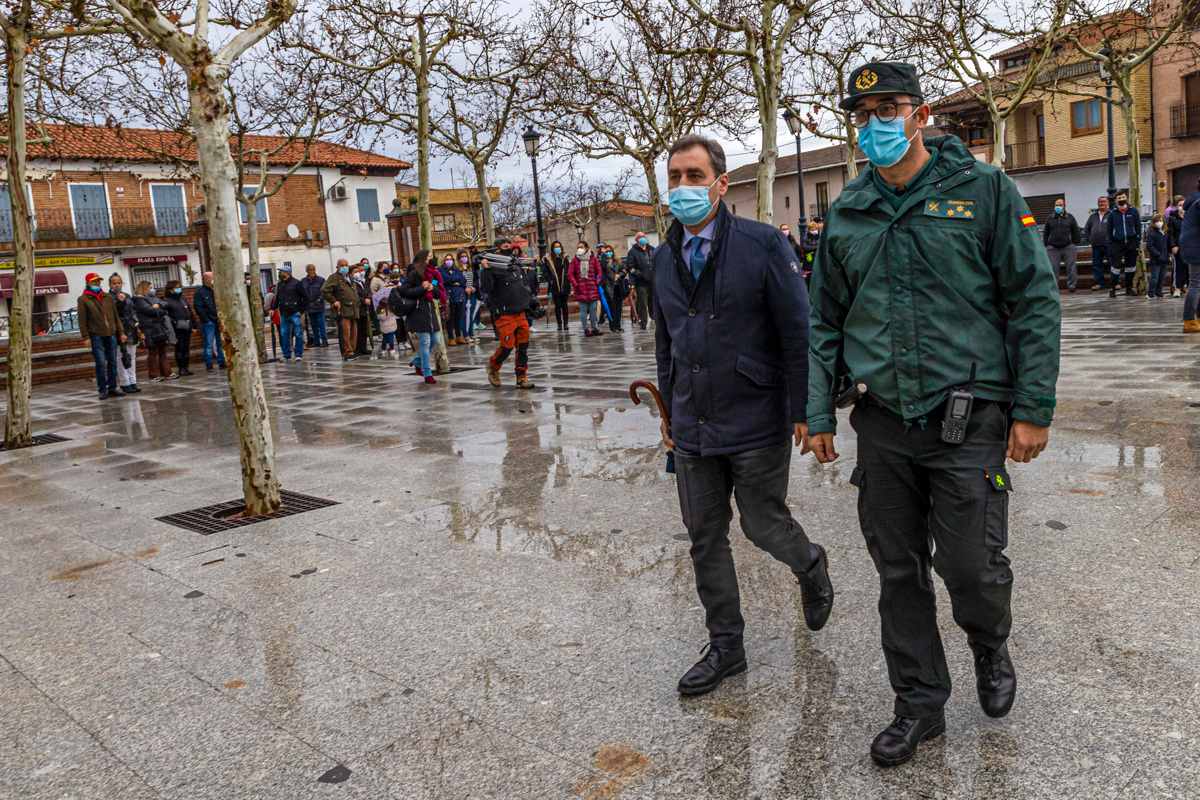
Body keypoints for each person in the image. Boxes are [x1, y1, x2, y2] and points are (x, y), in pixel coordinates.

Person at [807, 62, 1061, 767]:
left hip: (968, 418)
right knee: (898, 571)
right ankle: (919, 704)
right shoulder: (850, 211)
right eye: (864, 113)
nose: (876, 122)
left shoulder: (982, 190)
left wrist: (1032, 406)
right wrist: (817, 413)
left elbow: (1033, 299)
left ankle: (989, 642)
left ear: (920, 114)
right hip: (885, 422)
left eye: (890, 107)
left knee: (972, 569)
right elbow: (823, 320)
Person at [655, 133, 834, 699]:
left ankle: (808, 563)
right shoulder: (662, 256)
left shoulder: (761, 245)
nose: (683, 187)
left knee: (761, 523)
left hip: (755, 415)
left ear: (720, 183)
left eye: (693, 175)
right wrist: (667, 408)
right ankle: (726, 646)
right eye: (675, 177)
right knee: (704, 535)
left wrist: (809, 407)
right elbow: (666, 339)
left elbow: (797, 330)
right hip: (691, 423)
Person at [482, 243, 542, 389]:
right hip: (504, 313)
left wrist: (532, 302)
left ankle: (521, 377)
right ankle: (493, 366)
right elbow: (486, 288)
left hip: (520, 311)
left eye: (509, 244)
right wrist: (486, 270)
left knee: (523, 346)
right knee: (507, 345)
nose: (508, 247)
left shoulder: (516, 264)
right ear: (497, 249)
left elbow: (524, 285)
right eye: (504, 245)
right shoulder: (492, 266)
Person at [78, 272, 126, 400]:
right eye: (94, 281)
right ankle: (102, 389)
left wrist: (121, 332)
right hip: (96, 335)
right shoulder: (83, 299)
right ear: (88, 283)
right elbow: (82, 320)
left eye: (98, 281)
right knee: (100, 363)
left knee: (112, 361)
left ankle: (113, 387)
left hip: (111, 334)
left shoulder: (108, 297)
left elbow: (116, 316)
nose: (97, 283)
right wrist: (85, 337)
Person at [400, 249, 441, 384]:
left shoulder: (433, 273)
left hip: (430, 310)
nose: (430, 259)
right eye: (428, 257)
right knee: (425, 342)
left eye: (431, 256)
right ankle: (427, 373)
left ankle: (417, 361)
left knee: (435, 340)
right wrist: (421, 288)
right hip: (418, 311)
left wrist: (431, 288)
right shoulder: (413, 273)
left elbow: (438, 292)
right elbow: (405, 291)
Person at [132, 282, 172, 381]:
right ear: (144, 288)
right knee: (153, 352)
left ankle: (167, 372)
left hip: (158, 328)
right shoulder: (139, 300)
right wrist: (158, 309)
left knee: (162, 351)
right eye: (150, 288)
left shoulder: (150, 299)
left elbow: (165, 305)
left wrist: (158, 306)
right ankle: (153, 375)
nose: (152, 289)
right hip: (149, 329)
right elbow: (150, 311)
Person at [322, 259, 361, 361]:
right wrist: (333, 301)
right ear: (337, 267)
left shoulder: (349, 277)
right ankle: (346, 352)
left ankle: (352, 350)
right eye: (342, 265)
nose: (344, 267)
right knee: (345, 333)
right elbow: (325, 290)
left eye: (346, 265)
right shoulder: (334, 277)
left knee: (354, 332)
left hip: (353, 309)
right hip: (343, 309)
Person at [108, 273, 141, 394]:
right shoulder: (109, 297)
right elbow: (114, 314)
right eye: (114, 283)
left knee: (131, 357)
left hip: (131, 329)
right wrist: (120, 302)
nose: (117, 285)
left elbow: (132, 311)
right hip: (119, 330)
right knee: (121, 357)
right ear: (110, 284)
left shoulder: (127, 295)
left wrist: (137, 326)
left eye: (119, 282)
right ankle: (124, 382)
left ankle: (133, 381)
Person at [1043, 198, 1082, 293]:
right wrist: (1046, 244)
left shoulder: (1070, 217)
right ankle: (1054, 287)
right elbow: (1046, 232)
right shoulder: (1050, 218)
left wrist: (1075, 243)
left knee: (1071, 267)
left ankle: (1072, 285)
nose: (1058, 207)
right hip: (1053, 248)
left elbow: (1075, 231)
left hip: (1068, 247)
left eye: (1060, 205)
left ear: (1064, 206)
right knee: (1053, 268)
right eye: (1056, 205)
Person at [1106, 192, 1141, 297]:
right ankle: (1112, 288)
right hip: (1117, 243)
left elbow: (1138, 226)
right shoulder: (1112, 213)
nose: (1121, 199)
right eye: (1119, 197)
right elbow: (1109, 230)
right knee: (1115, 267)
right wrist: (1111, 243)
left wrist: (1137, 240)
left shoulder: (1133, 211)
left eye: (1123, 197)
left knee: (1131, 267)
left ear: (1127, 198)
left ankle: (1129, 288)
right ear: (1116, 200)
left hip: (1131, 243)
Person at [192, 271, 226, 371]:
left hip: (218, 320)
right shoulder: (200, 292)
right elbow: (198, 307)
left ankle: (222, 362)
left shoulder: (215, 290)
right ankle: (209, 364)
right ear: (206, 279)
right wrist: (206, 319)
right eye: (211, 278)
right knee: (209, 344)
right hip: (208, 322)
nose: (213, 280)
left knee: (220, 343)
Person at [273, 264, 307, 362]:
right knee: (284, 334)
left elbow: (305, 297)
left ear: (287, 273)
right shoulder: (280, 284)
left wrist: (301, 311)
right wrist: (273, 308)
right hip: (284, 312)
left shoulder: (297, 283)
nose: (280, 273)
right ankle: (286, 354)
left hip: (295, 312)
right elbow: (277, 297)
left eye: (282, 271)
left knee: (298, 334)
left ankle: (298, 354)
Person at [569, 241, 603, 337]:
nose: (580, 249)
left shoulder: (593, 258)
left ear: (587, 247)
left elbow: (599, 271)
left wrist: (597, 280)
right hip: (581, 289)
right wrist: (576, 285)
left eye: (582, 247)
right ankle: (586, 329)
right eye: (578, 247)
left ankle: (594, 328)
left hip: (592, 288)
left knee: (593, 310)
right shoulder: (575, 260)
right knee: (583, 311)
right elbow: (570, 274)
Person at [162, 280, 194, 377]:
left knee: (186, 348)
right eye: (177, 287)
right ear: (171, 289)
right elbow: (166, 316)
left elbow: (190, 311)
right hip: (177, 329)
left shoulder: (182, 298)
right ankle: (181, 368)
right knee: (180, 348)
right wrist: (174, 322)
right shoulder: (166, 301)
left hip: (186, 327)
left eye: (180, 287)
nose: (179, 289)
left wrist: (194, 325)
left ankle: (186, 368)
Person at [1178, 190, 1200, 332]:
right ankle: (1189, 320)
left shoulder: (1195, 201)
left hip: (1192, 245)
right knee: (1196, 283)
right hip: (1195, 246)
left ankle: (1196, 318)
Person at [624, 232, 655, 330]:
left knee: (653, 302)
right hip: (641, 282)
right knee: (642, 303)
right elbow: (631, 267)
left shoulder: (652, 249)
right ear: (637, 240)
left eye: (644, 237)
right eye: (640, 237)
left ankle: (655, 319)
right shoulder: (633, 252)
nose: (643, 239)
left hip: (653, 281)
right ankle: (643, 323)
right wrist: (638, 277)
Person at [1083, 196, 1110, 291]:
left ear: (1108, 203)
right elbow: (1086, 229)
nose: (1101, 203)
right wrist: (1089, 239)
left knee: (1113, 263)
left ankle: (1116, 282)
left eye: (1103, 201)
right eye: (1100, 202)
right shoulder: (1093, 216)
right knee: (1097, 265)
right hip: (1096, 245)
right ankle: (1099, 283)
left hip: (1109, 244)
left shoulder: (1111, 214)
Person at [545, 241, 572, 332]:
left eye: (559, 247)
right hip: (555, 285)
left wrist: (568, 281)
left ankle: (566, 323)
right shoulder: (548, 259)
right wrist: (550, 280)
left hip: (564, 284)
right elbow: (546, 273)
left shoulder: (565, 258)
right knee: (557, 306)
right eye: (556, 247)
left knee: (564, 305)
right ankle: (559, 324)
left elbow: (569, 271)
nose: (558, 249)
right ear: (552, 249)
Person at [442, 253, 468, 345]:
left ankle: (458, 336)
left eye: (450, 259)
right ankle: (450, 337)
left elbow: (463, 281)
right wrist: (453, 281)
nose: (449, 261)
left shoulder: (457, 270)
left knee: (458, 317)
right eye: (447, 259)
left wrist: (451, 281)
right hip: (448, 297)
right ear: (444, 261)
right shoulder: (440, 270)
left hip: (459, 296)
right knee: (450, 318)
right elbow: (438, 281)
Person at [605, 245, 630, 332]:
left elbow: (624, 270)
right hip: (609, 288)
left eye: (610, 251)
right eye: (607, 251)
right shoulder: (603, 263)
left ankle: (618, 325)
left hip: (618, 287)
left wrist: (619, 275)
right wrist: (611, 277)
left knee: (618, 308)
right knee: (611, 308)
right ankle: (613, 326)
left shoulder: (618, 261)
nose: (609, 252)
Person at [301, 264, 328, 346]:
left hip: (319, 306)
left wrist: (319, 300)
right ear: (307, 271)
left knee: (321, 324)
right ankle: (316, 342)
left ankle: (324, 341)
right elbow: (302, 293)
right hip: (309, 306)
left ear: (315, 270)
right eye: (309, 269)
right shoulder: (303, 281)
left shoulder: (321, 280)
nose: (311, 271)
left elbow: (324, 292)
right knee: (313, 325)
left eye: (312, 269)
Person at [1145, 212, 1170, 299]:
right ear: (1154, 222)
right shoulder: (1151, 233)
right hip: (1156, 259)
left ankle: (1158, 292)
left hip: (1164, 258)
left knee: (1162, 277)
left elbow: (1167, 245)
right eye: (1157, 221)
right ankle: (1150, 293)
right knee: (1154, 277)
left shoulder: (1165, 233)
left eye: (1161, 220)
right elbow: (1150, 246)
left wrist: (1167, 255)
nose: (1159, 222)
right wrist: (1157, 254)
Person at [1168, 195, 1187, 297]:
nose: (1182, 207)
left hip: (1189, 247)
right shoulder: (1172, 218)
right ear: (1176, 207)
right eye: (1180, 205)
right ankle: (1177, 288)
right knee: (1178, 268)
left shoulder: (1190, 216)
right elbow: (1170, 234)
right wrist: (1173, 245)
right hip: (1178, 247)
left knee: (1189, 268)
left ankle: (1186, 287)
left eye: (1183, 205)